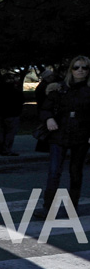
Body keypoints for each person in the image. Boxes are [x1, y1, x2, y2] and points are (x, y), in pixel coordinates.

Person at [36, 55, 90, 219]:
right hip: (59, 134)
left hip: (81, 135)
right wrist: (49, 118)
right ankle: (47, 208)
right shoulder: (59, 88)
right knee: (54, 172)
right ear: (71, 69)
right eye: (76, 67)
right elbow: (46, 108)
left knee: (75, 172)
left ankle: (72, 207)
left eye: (84, 67)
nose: (80, 70)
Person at [0, 73, 24, 156]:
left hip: (1, 113)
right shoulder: (13, 89)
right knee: (10, 132)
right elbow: (20, 98)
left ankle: (0, 148)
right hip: (12, 113)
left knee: (2, 131)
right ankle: (6, 149)